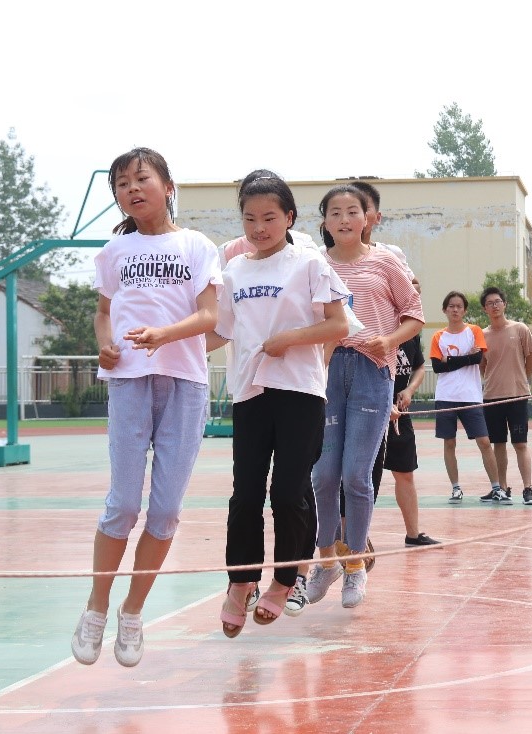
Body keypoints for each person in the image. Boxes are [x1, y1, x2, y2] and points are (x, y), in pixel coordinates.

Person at [71, 147, 221, 667]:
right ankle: (95, 608)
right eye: (121, 184)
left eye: (141, 178)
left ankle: (132, 612)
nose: (132, 189)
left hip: (184, 383)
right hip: (129, 381)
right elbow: (103, 313)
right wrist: (105, 345)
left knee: (165, 510)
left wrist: (165, 334)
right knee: (123, 504)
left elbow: (209, 316)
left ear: (168, 186)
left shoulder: (196, 245)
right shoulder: (115, 251)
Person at [208, 173, 349, 637]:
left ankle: (286, 580)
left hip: (299, 392)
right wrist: (165, 344)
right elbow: (220, 331)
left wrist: (291, 338)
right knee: (245, 494)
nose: (259, 227)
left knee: (288, 491)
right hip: (250, 393)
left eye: (269, 217)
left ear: (289, 217)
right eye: (249, 218)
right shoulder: (234, 271)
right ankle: (240, 582)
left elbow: (339, 325)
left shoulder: (308, 264)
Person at [306, 184, 424, 609]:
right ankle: (326, 561)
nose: (344, 219)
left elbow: (414, 315)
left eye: (352, 211)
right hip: (326, 372)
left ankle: (355, 564)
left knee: (357, 476)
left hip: (373, 373)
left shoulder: (385, 262)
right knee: (323, 476)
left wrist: (388, 341)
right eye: (334, 212)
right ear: (324, 221)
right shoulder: (313, 264)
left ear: (367, 218)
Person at [430, 290, 503, 504]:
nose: (455, 310)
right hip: (446, 396)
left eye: (459, 306)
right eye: (451, 306)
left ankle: (496, 488)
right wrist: (465, 358)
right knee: (449, 443)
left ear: (464, 310)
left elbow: (477, 358)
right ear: (445, 310)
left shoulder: (474, 331)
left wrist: (449, 360)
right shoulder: (438, 336)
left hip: (471, 397)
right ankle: (456, 488)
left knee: (484, 441)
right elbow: (436, 367)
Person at [478, 287, 532, 505]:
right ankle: (502, 488)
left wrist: (522, 378)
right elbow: (482, 366)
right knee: (498, 444)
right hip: (492, 397)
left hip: (517, 396)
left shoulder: (520, 329)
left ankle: (528, 489)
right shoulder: (482, 335)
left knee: (520, 443)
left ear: (504, 304)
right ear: (485, 309)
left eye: (498, 302)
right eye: (490, 303)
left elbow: (531, 358)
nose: (494, 306)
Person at [388, 334, 440, 546]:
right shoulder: (375, 328)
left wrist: (409, 389)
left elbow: (419, 367)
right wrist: (382, 403)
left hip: (400, 414)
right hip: (370, 412)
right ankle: (354, 538)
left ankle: (413, 534)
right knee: (362, 478)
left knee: (405, 473)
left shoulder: (411, 335)